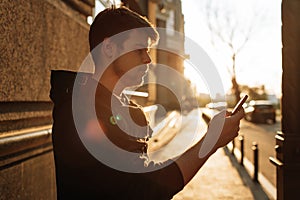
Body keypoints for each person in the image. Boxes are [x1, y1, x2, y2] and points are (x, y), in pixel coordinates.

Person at [50, 6, 245, 200]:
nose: (148, 59)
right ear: (109, 48)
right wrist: (210, 142)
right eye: (139, 50)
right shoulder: (80, 112)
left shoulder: (120, 108)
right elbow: (143, 189)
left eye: (148, 50)